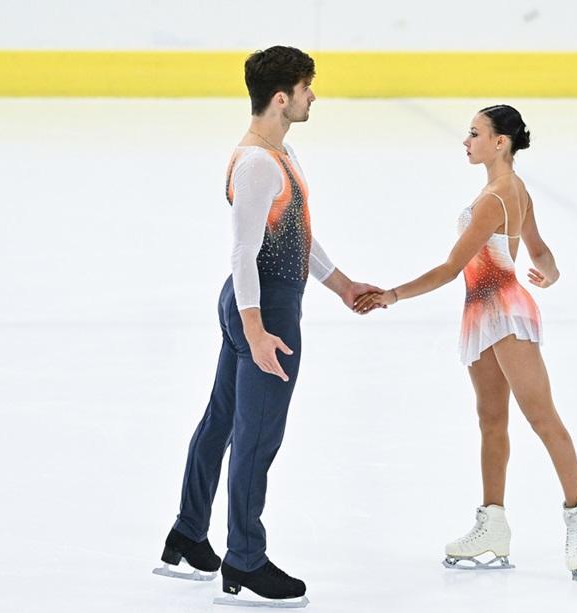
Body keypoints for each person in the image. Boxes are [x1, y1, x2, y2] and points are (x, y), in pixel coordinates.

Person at [154, 46, 381, 605]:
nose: (312, 98)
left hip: (254, 305)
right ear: (282, 97)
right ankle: (245, 561)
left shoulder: (279, 153)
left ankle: (187, 534)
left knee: (222, 422)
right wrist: (256, 332)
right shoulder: (258, 163)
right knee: (255, 439)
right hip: (266, 312)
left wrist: (343, 284)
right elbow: (243, 252)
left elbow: (296, 235)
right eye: (307, 89)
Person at [354, 105, 577, 580]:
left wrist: (392, 294)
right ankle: (493, 522)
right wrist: (549, 273)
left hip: (505, 314)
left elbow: (451, 268)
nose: (466, 141)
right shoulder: (512, 190)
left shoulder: (496, 196)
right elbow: (540, 250)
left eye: (475, 133)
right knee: (491, 420)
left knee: (541, 417)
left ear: (500, 142)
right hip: (483, 314)